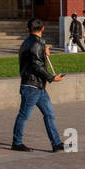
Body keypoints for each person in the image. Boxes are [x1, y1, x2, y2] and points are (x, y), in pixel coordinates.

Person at [11, 17, 65, 152]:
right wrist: (52, 78)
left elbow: (33, 61)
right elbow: (37, 66)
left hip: (37, 86)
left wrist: (43, 51)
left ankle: (56, 143)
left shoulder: (27, 43)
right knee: (24, 115)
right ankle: (16, 143)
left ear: (28, 29)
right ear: (42, 29)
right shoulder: (37, 44)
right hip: (32, 86)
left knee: (49, 114)